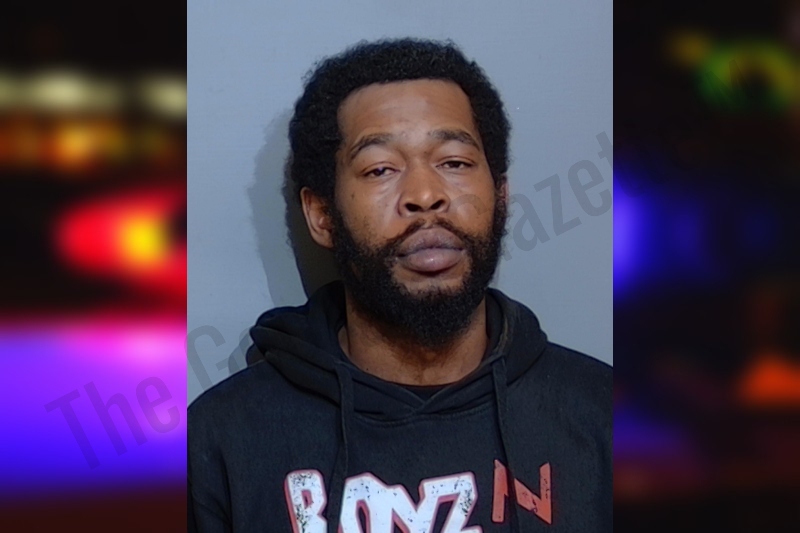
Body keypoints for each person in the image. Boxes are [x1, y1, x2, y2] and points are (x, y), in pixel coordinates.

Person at [188, 38, 611, 532]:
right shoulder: (221, 440)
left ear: (500, 196)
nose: (425, 195)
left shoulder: (605, 417)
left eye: (454, 162)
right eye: (380, 169)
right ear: (322, 214)